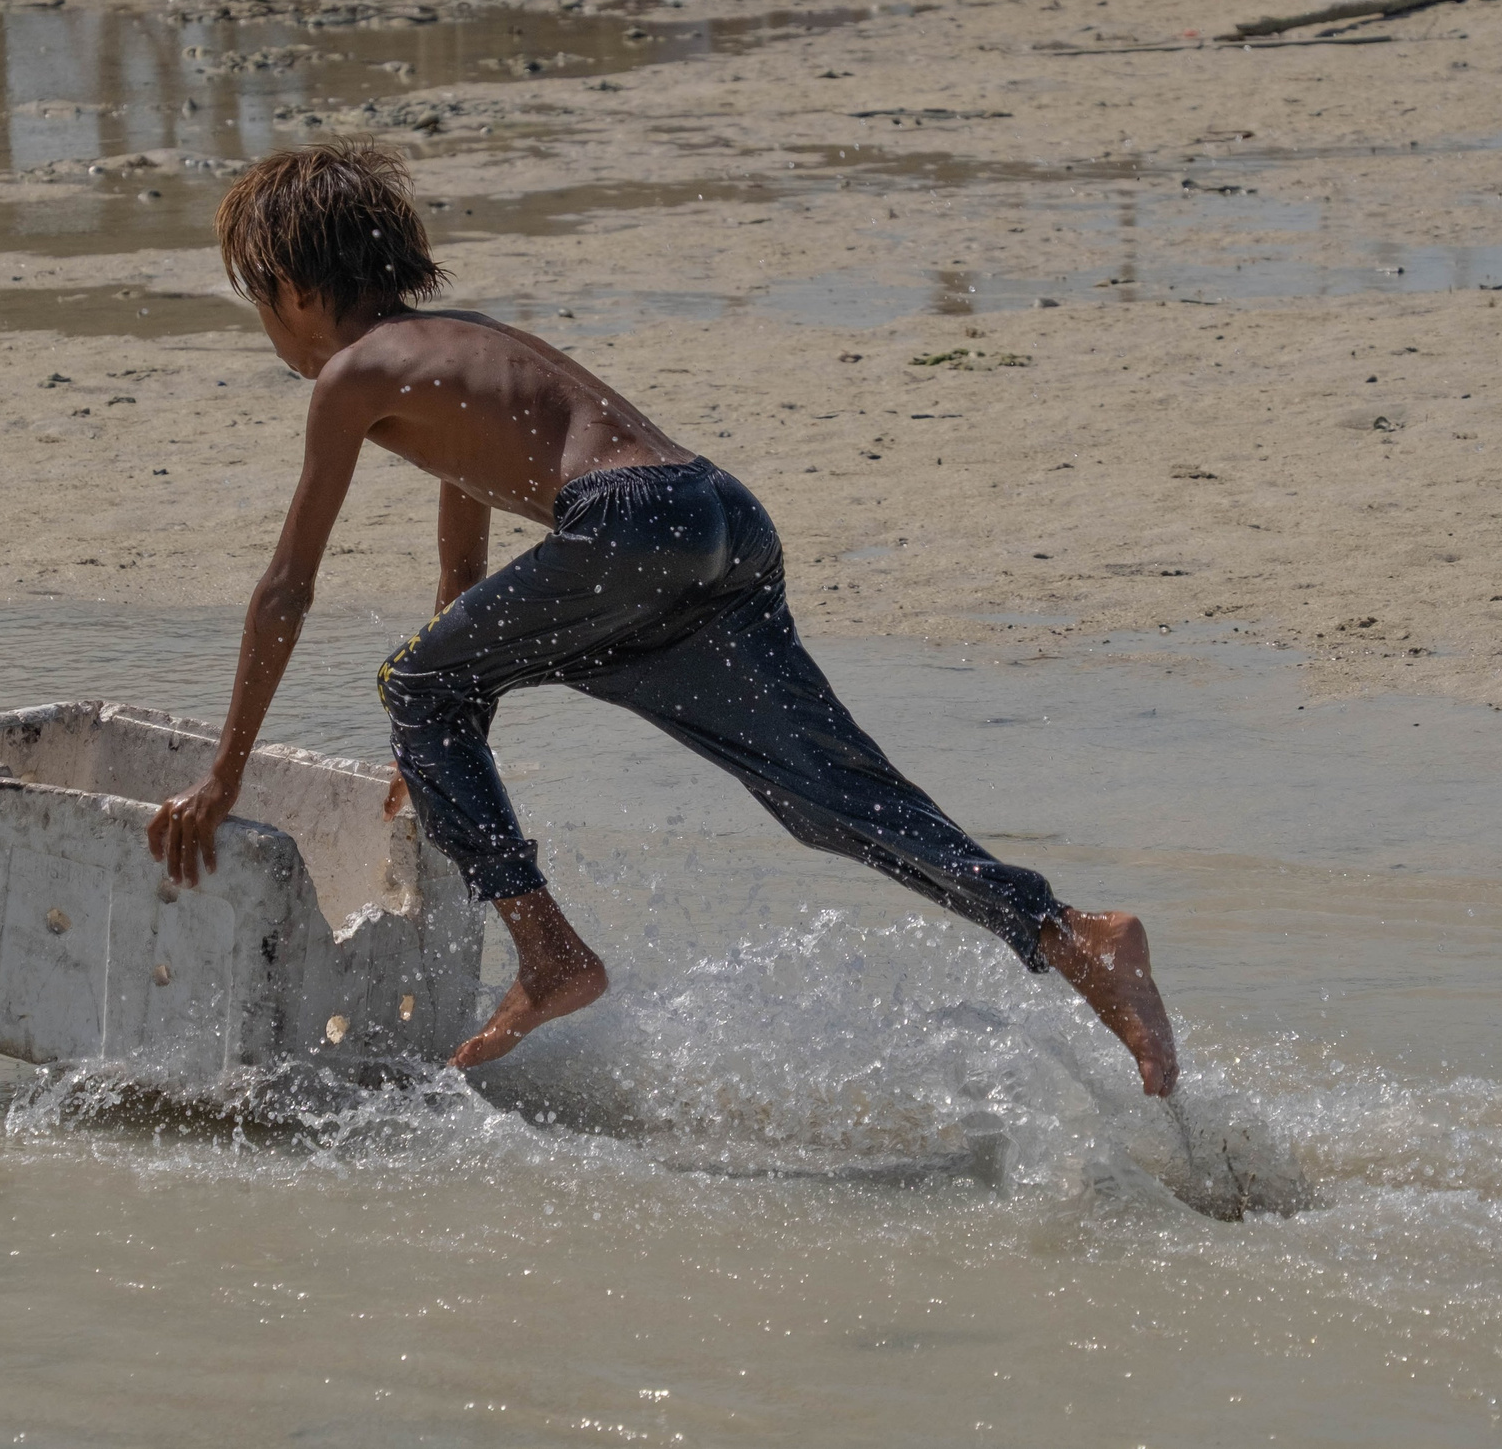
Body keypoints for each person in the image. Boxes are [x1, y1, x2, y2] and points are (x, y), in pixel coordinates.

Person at [146, 143, 1179, 1096]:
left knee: (412, 679)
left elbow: (289, 584)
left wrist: (228, 768)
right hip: (719, 517)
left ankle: (550, 952)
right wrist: (442, 730)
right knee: (825, 794)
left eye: (260, 306)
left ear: (289, 289)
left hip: (631, 526)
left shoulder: (350, 374)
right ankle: (1069, 932)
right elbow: (463, 555)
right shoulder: (460, 344)